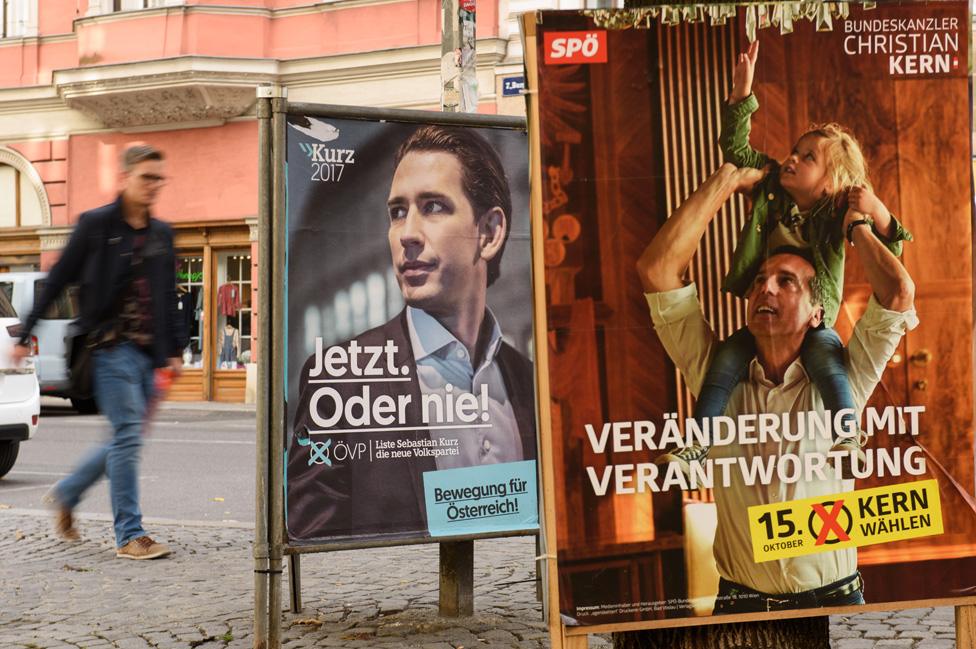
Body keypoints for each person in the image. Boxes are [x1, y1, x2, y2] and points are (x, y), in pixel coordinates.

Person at [636, 163, 917, 613]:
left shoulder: (847, 375)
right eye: (759, 281)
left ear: (816, 313)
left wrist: (860, 225)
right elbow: (656, 269)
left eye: (786, 282)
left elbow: (899, 293)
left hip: (835, 602)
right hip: (740, 607)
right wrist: (726, 180)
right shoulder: (714, 373)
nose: (764, 289)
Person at [657, 41, 912, 475]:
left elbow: (896, 243)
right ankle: (696, 445)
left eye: (807, 157)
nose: (791, 158)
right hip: (769, 317)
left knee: (828, 365)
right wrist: (741, 95)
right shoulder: (772, 184)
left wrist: (874, 211)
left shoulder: (836, 212)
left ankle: (846, 436)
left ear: (832, 182)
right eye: (794, 150)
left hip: (815, 321)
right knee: (725, 363)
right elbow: (737, 155)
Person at [287, 125, 536, 540]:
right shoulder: (339, 376)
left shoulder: (530, 382)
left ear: (489, 233)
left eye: (434, 207)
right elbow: (311, 532)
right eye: (397, 212)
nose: (407, 234)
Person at [11, 144, 185, 560]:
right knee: (126, 437)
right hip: (108, 350)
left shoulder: (162, 234)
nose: (153, 186)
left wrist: (176, 350)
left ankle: (68, 493)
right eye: (146, 177)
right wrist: (25, 333)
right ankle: (129, 534)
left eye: (159, 178)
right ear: (124, 178)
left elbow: (169, 295)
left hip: (149, 356)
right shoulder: (96, 226)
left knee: (125, 440)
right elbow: (57, 281)